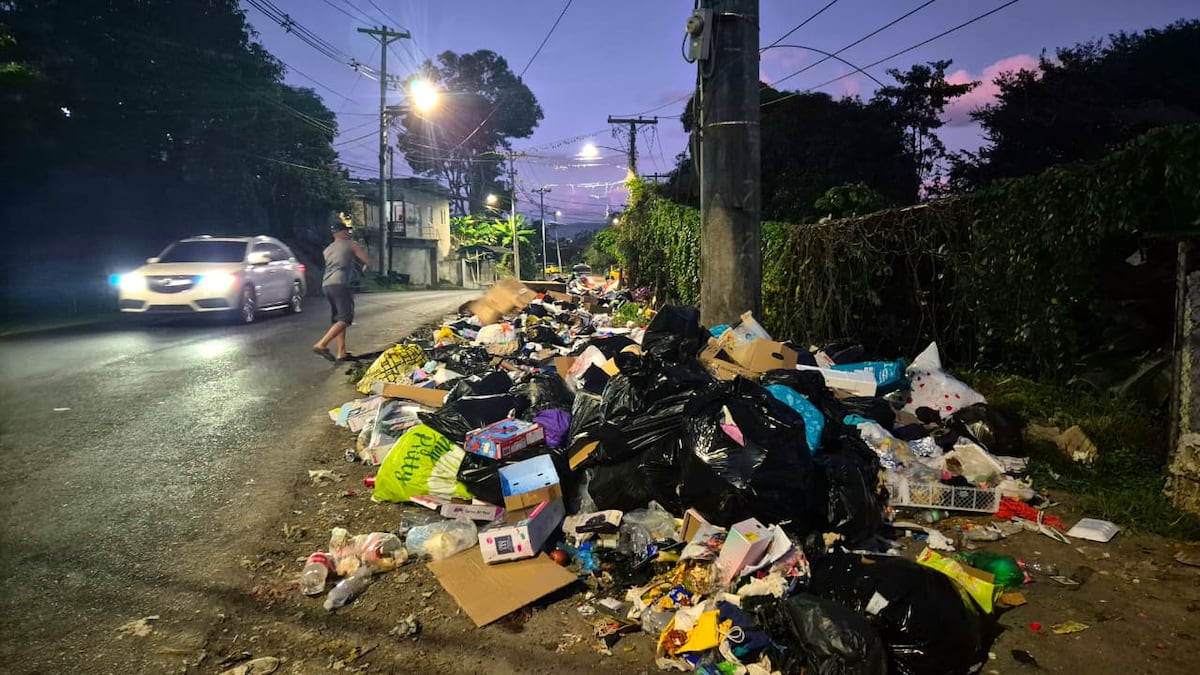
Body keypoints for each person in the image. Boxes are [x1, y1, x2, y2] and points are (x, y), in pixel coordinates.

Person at [313, 220, 370, 362]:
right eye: (346, 231)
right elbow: (368, 262)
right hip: (341, 284)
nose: (348, 233)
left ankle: (341, 352)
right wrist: (363, 270)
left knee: (338, 319)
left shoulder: (327, 249)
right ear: (341, 232)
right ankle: (322, 344)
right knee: (346, 318)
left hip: (327, 285)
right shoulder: (351, 245)